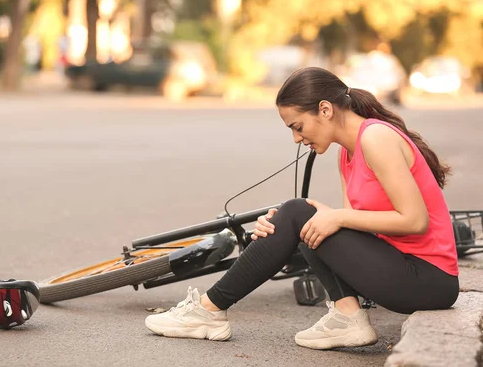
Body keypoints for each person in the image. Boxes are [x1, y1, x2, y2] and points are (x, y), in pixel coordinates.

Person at [145, 67, 459, 349]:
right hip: (404, 271)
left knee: (302, 213)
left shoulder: (376, 138)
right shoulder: (347, 153)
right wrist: (288, 224)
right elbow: (362, 227)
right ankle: (347, 318)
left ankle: (209, 311)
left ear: (325, 110)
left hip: (428, 280)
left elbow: (415, 220)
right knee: (303, 213)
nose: (297, 139)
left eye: (298, 126)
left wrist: (320, 217)